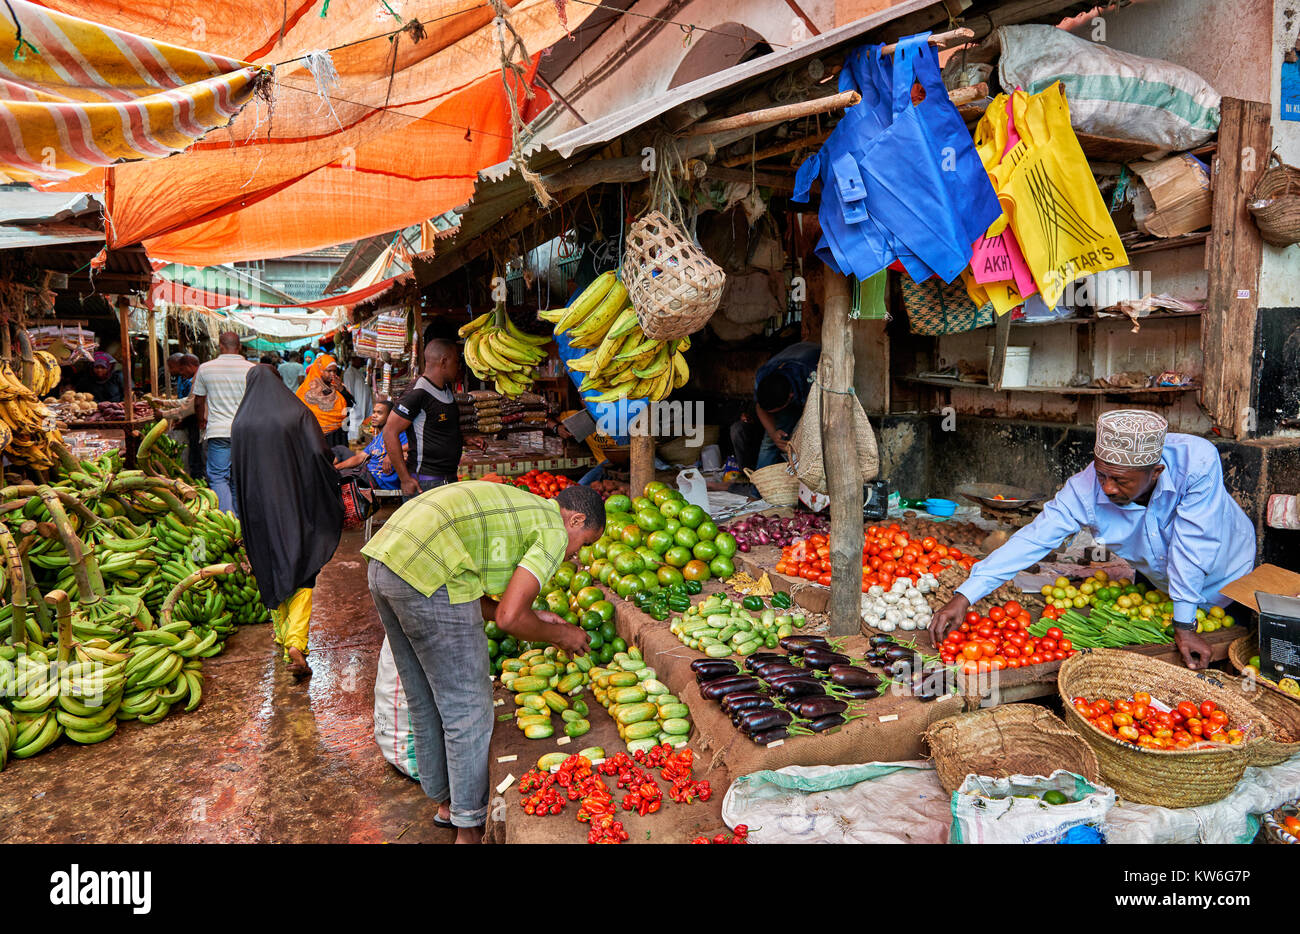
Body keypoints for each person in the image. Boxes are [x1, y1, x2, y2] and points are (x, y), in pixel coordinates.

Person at [363, 482, 604, 842]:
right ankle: (468, 829)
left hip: (387, 563)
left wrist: (533, 617)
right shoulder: (555, 530)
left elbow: (473, 604)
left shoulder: (527, 508)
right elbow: (508, 618)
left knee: (424, 696)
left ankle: (446, 805)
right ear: (576, 519)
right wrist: (560, 635)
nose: (575, 556)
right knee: (469, 709)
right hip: (426, 573)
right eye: (583, 543)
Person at [928, 410, 1256, 670]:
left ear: (1155, 472)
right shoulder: (1085, 488)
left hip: (1227, 576)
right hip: (1164, 582)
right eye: (1102, 475)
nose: (1108, 488)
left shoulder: (1196, 464)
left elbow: (1193, 544)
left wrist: (1184, 625)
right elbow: (1033, 539)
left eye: (1120, 480)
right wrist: (965, 596)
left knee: (1231, 650)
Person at [232, 366, 343, 680]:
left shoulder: (241, 421)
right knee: (302, 566)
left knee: (270, 565)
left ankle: (282, 636)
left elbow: (233, 471)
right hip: (295, 503)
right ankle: (295, 643)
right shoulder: (297, 413)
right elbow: (320, 453)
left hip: (257, 509)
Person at [384, 339, 463, 498]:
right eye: (456, 361)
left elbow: (437, 428)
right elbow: (389, 432)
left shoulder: (445, 389)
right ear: (444, 362)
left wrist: (465, 440)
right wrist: (405, 479)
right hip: (425, 483)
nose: (458, 366)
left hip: (447, 480)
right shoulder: (418, 393)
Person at [731, 341, 821, 469]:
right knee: (771, 441)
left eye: (774, 411)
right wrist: (774, 434)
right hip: (793, 368)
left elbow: (815, 414)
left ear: (790, 397)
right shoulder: (763, 375)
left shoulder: (812, 374)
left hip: (813, 367)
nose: (771, 414)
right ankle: (760, 484)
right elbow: (760, 407)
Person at [193, 332, 255, 514]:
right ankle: (239, 520)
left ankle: (229, 522)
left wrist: (200, 421)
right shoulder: (251, 369)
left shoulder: (205, 368)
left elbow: (198, 401)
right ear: (240, 346)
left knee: (219, 477)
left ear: (220, 346)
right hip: (245, 431)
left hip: (218, 431)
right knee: (237, 478)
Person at [334, 400, 407, 490]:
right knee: (339, 455)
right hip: (365, 472)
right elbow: (360, 457)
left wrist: (392, 454)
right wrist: (336, 467)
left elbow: (412, 445)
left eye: (379, 413)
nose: (374, 416)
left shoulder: (399, 433)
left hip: (376, 480)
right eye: (374, 412)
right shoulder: (380, 436)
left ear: (389, 416)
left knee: (334, 478)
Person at [296, 353, 354, 448]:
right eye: (329, 371)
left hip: (338, 435)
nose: (333, 374)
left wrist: (341, 390)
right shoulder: (304, 390)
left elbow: (350, 405)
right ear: (320, 370)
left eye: (335, 371)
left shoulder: (337, 386)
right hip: (317, 437)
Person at [343, 356, 373, 444]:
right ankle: (354, 443)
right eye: (359, 359)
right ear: (353, 360)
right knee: (355, 423)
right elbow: (349, 390)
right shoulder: (349, 372)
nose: (362, 361)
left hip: (362, 403)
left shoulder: (357, 372)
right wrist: (353, 404)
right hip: (356, 405)